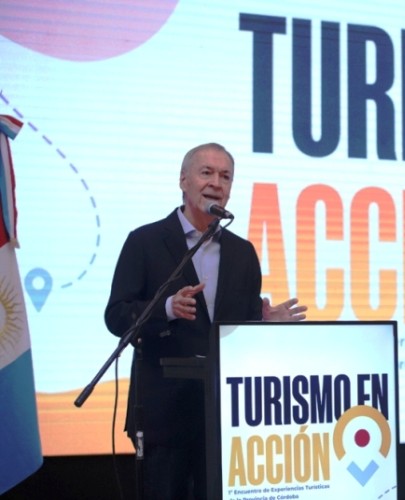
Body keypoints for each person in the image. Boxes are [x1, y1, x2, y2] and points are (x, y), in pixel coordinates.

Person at [104, 143, 307, 499]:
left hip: (224, 418)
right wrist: (167, 307)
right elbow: (117, 315)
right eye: (207, 173)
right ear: (183, 180)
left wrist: (264, 322)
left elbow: (240, 328)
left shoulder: (242, 252)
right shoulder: (145, 241)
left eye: (225, 176)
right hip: (163, 416)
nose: (217, 183)